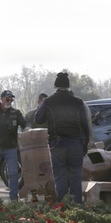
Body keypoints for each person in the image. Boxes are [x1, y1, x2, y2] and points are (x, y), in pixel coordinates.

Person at [34, 72, 91, 204]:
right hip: (76, 142)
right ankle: (77, 208)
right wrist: (85, 144)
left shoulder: (49, 102)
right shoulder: (78, 102)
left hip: (57, 143)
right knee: (76, 176)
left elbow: (38, 119)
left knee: (60, 176)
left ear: (56, 86)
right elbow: (85, 125)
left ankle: (63, 207)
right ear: (68, 86)